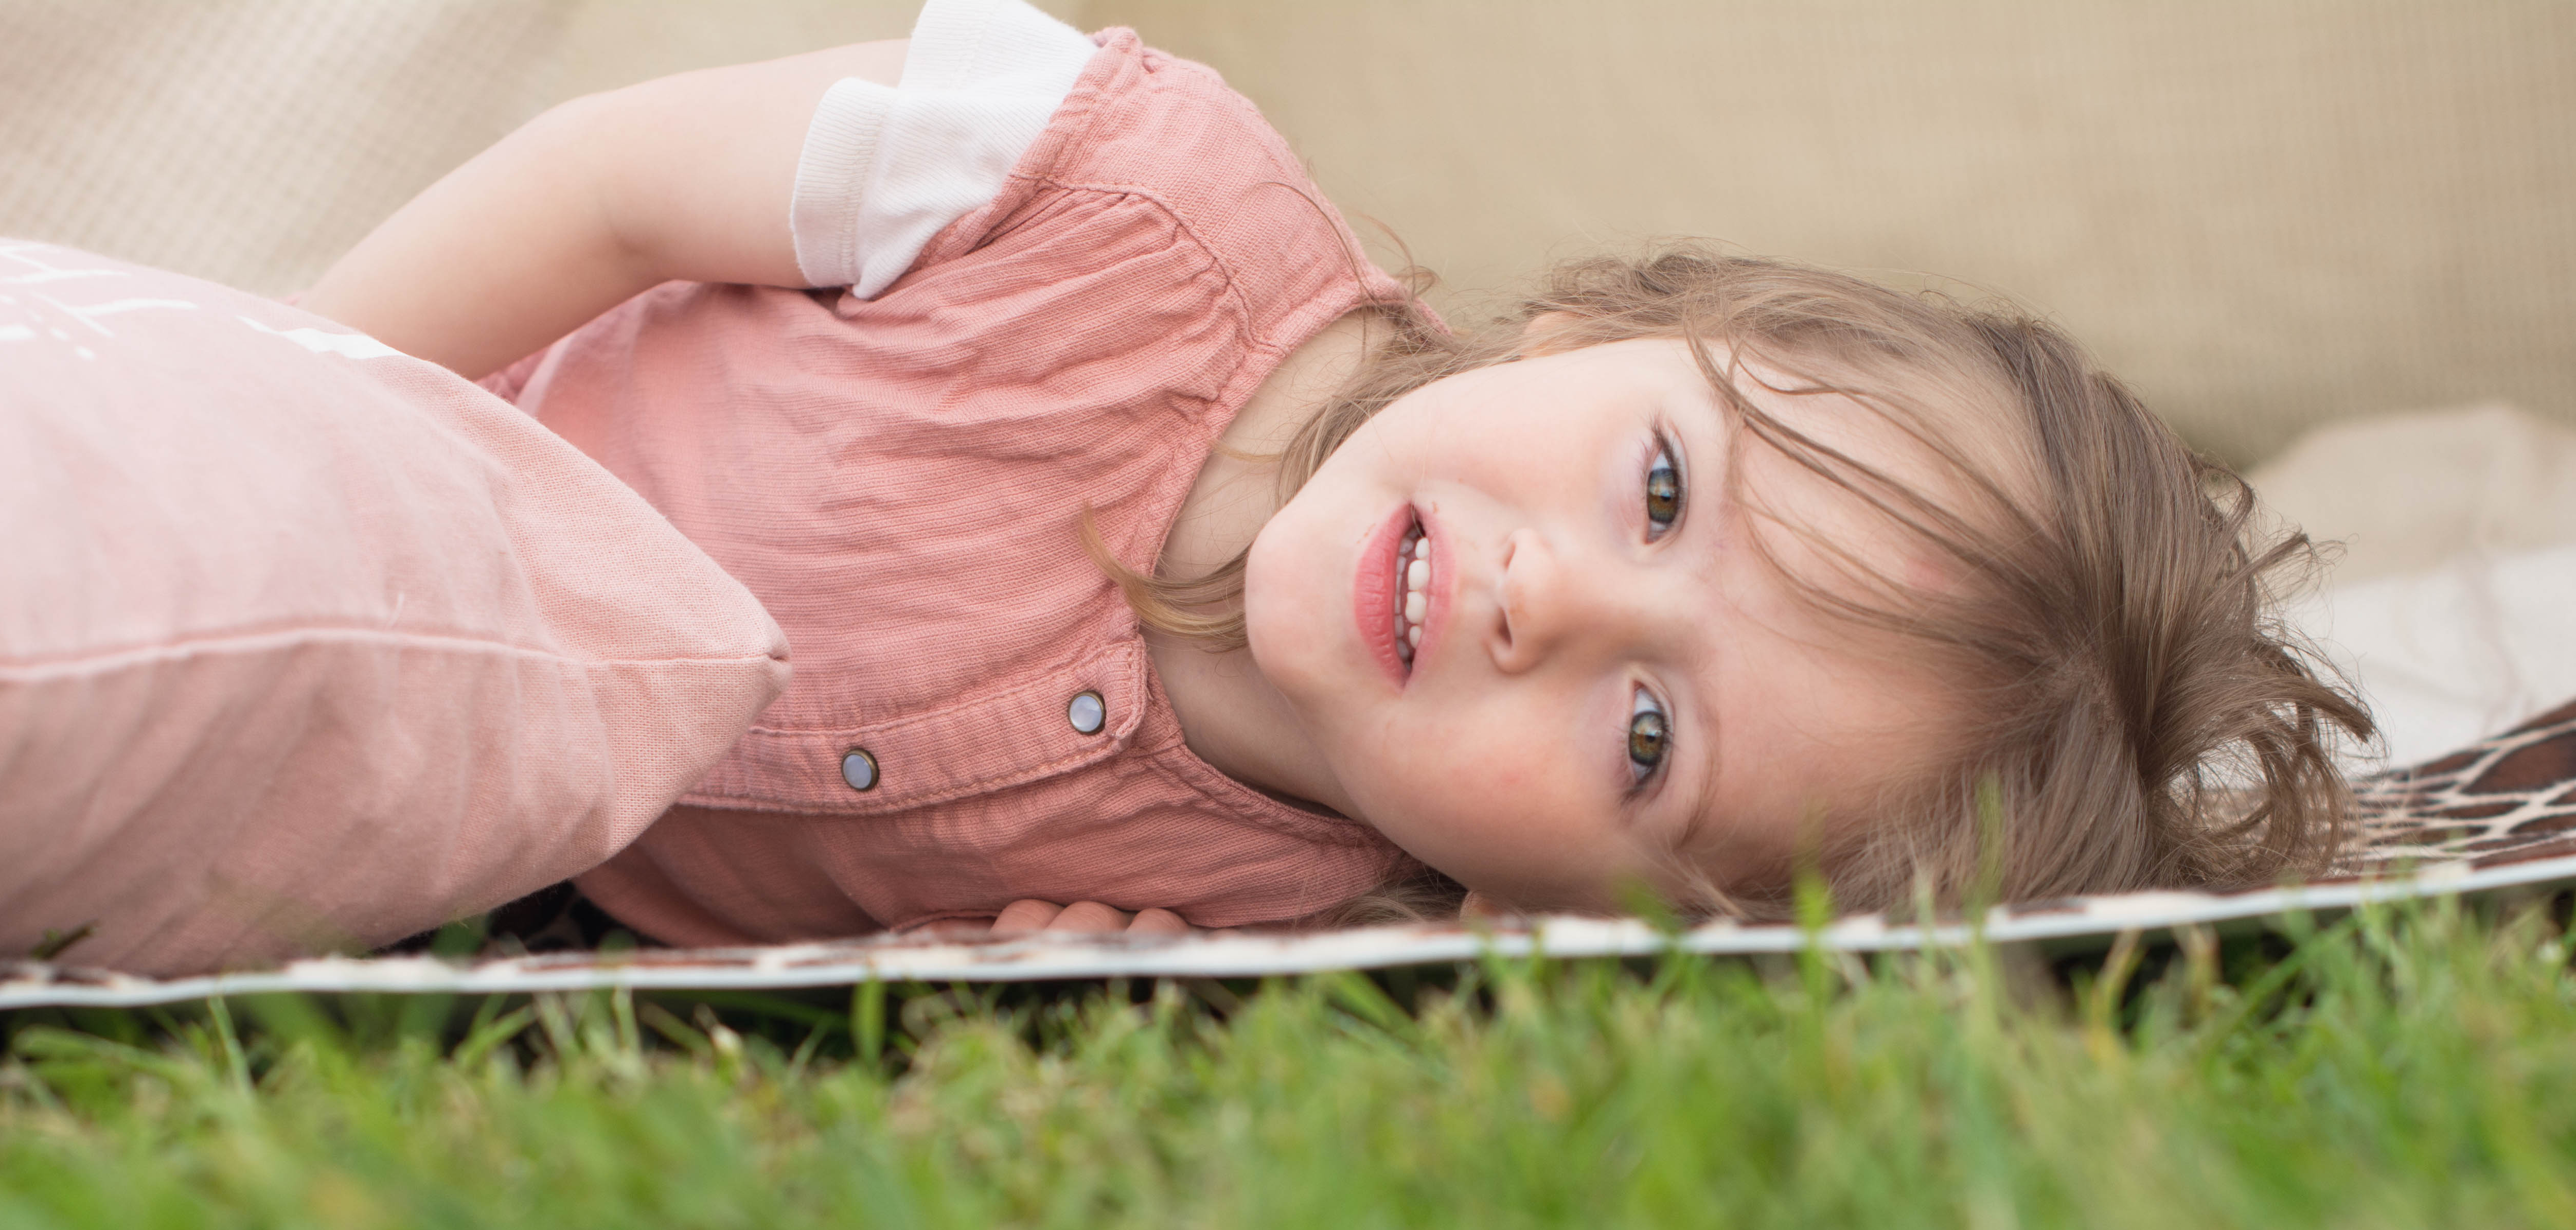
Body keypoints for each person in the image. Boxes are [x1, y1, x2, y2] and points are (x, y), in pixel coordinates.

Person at [304, 0, 2369, 943]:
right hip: (332, 463)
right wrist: (287, 406)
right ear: (1607, 323)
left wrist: (998, 977)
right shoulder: (1104, 184)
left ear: (1561, 903)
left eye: (1646, 733)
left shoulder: (1300, 911)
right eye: (1661, 491)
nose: (1547, 599)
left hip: (413, 829)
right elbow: (605, 189)